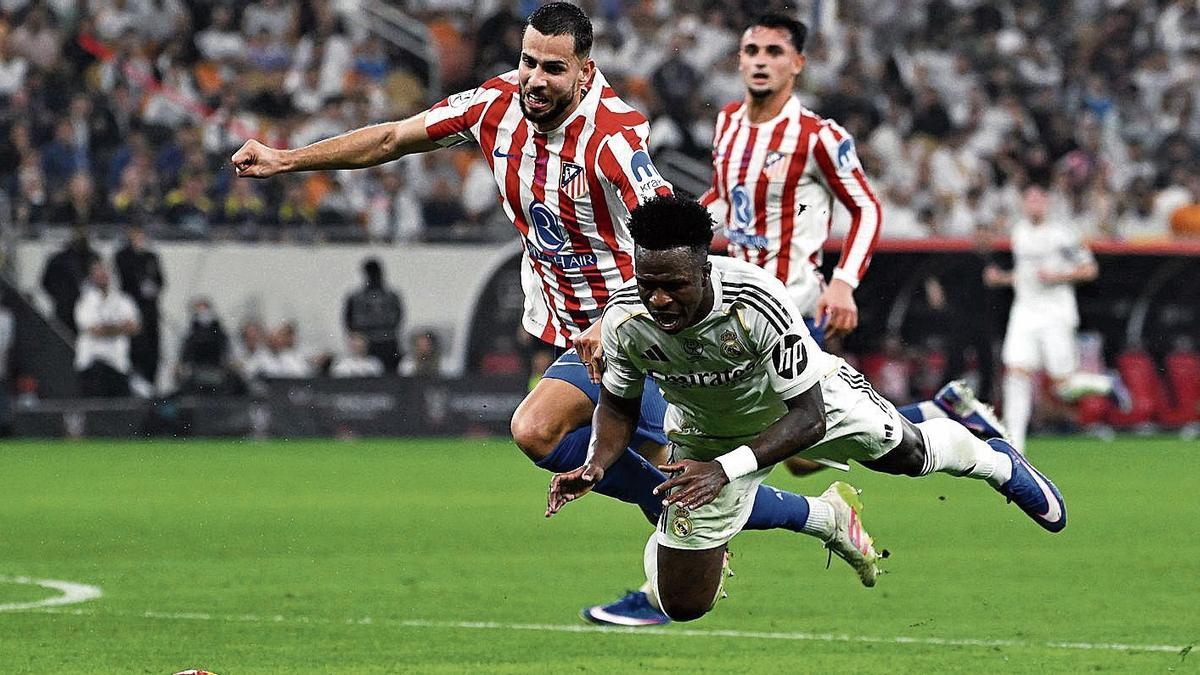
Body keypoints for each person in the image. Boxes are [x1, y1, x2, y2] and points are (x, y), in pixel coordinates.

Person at [231, 2, 825, 627]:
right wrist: (287, 159)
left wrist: (617, 312)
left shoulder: (613, 138)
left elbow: (666, 237)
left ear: (585, 71)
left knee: (673, 502)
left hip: (644, 332)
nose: (535, 79)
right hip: (581, 331)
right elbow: (391, 137)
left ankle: (788, 512)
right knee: (557, 440)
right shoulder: (493, 107)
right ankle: (797, 515)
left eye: (553, 68)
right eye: (527, 62)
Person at [547, 195, 1066, 623]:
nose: (658, 300)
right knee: (682, 604)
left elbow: (809, 418)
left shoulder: (757, 300)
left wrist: (724, 472)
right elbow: (616, 407)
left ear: (705, 268)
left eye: (674, 285)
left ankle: (999, 461)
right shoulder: (624, 318)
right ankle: (825, 517)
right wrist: (595, 463)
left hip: (800, 402)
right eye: (648, 284)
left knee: (905, 455)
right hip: (708, 434)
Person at [698, 15, 1006, 451]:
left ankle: (951, 438)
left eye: (774, 52)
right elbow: (723, 195)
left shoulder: (818, 136)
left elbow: (866, 208)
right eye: (752, 51)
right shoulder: (728, 122)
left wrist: (843, 283)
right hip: (740, 300)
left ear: (798, 63)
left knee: (799, 433)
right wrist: (683, 227)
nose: (761, 62)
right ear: (739, 60)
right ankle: (942, 411)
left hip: (792, 305)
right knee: (806, 447)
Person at [984, 185, 1127, 452]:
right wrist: (1001, 279)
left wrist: (1058, 276)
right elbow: (1025, 274)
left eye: (1039, 199)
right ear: (1023, 203)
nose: (1034, 204)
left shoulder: (1063, 234)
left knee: (1063, 387)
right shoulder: (1020, 232)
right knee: (1015, 373)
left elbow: (1089, 270)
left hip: (1056, 313)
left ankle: (1106, 383)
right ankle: (1014, 447)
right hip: (1024, 312)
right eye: (1029, 200)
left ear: (1047, 203)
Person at [74, 260, 140, 397]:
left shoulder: (124, 301)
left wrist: (106, 329)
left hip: (118, 363)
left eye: (104, 272)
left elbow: (135, 327)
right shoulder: (85, 302)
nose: (102, 276)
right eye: (97, 273)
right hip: (91, 363)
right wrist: (120, 327)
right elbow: (94, 330)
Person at [115, 222, 165, 386]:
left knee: (152, 349)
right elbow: (126, 279)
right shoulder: (123, 255)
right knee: (136, 346)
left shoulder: (151, 257)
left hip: (150, 309)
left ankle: (151, 383)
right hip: (133, 307)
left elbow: (160, 280)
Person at [342, 258, 405, 373]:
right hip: (366, 345)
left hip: (388, 344)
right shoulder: (356, 297)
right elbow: (349, 323)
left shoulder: (391, 296)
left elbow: (398, 318)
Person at [40, 224, 99, 334]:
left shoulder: (94, 258)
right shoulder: (58, 259)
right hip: (65, 308)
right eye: (78, 232)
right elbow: (46, 282)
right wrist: (61, 297)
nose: (81, 235)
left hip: (91, 308)